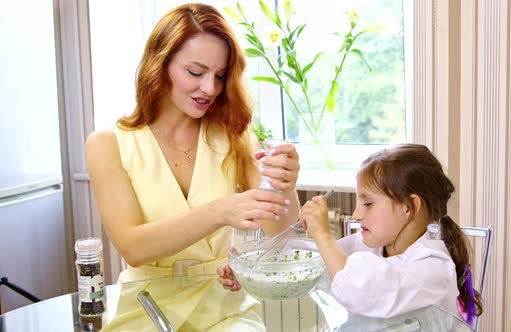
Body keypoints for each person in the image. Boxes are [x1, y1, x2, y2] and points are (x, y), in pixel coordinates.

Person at [85, 3, 300, 330]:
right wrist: (219, 211)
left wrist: (284, 184)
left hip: (225, 308)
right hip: (144, 308)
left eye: (220, 76)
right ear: (160, 64)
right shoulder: (107, 144)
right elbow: (133, 247)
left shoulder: (233, 137)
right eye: (196, 73)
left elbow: (278, 229)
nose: (210, 88)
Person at [218, 144, 482, 326]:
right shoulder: (365, 245)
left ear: (408, 207)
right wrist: (251, 271)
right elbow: (312, 269)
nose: (356, 214)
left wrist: (322, 234)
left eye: (368, 204)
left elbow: (361, 292)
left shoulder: (432, 269)